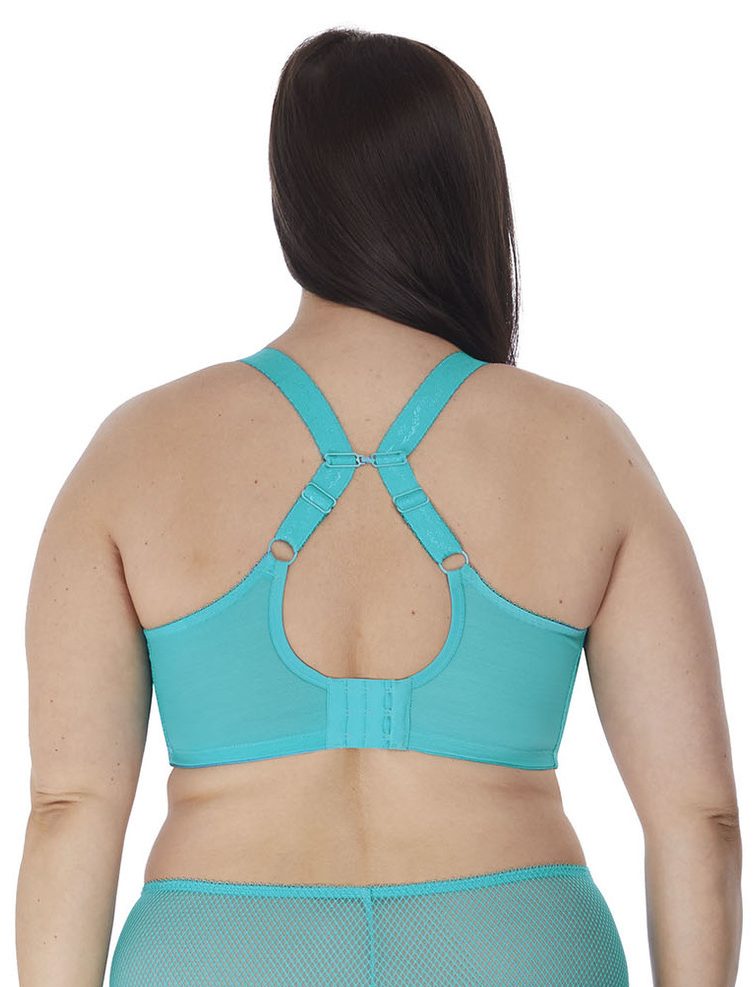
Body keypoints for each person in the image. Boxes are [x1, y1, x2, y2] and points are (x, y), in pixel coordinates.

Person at [17, 26, 741, 987]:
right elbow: (698, 815)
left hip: (221, 953)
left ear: (292, 203)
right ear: (471, 197)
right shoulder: (582, 446)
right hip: (514, 949)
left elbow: (69, 807)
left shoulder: (137, 449)